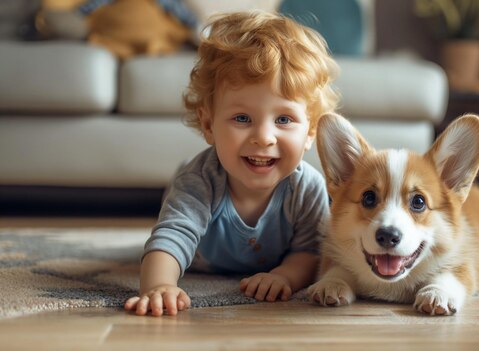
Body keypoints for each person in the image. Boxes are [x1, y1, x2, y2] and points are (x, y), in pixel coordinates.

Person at [123, 10, 339, 316]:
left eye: (284, 119)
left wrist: (283, 276)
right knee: (174, 215)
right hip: (199, 247)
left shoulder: (307, 187)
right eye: (242, 118)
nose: (264, 137)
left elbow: (309, 252)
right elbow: (171, 238)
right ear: (209, 125)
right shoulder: (199, 181)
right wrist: (159, 285)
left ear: (310, 132)